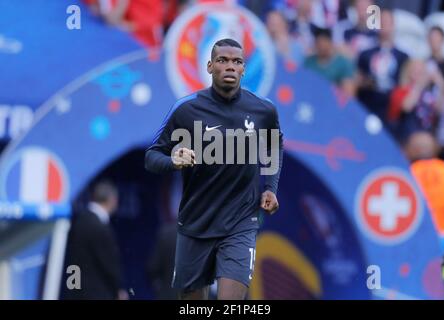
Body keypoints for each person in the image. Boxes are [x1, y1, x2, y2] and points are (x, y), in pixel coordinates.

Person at [145, 38, 283, 300]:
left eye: (237, 61)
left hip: (241, 222)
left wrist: (270, 187)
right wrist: (174, 160)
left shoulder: (263, 110)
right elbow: (152, 156)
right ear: (209, 66)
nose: (230, 66)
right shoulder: (186, 110)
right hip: (196, 222)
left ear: (243, 69)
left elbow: (275, 144)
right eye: (222, 60)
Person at [61, 180, 126, 300]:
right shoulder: (99, 227)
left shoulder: (79, 222)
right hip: (98, 293)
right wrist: (118, 289)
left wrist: (73, 288)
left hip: (77, 292)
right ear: (112, 200)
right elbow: (109, 265)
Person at [303, 27, 356, 97]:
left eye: (324, 43)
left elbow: (348, 92)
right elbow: (303, 85)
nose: (321, 47)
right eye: (318, 43)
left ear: (330, 42)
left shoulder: (343, 63)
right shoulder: (309, 62)